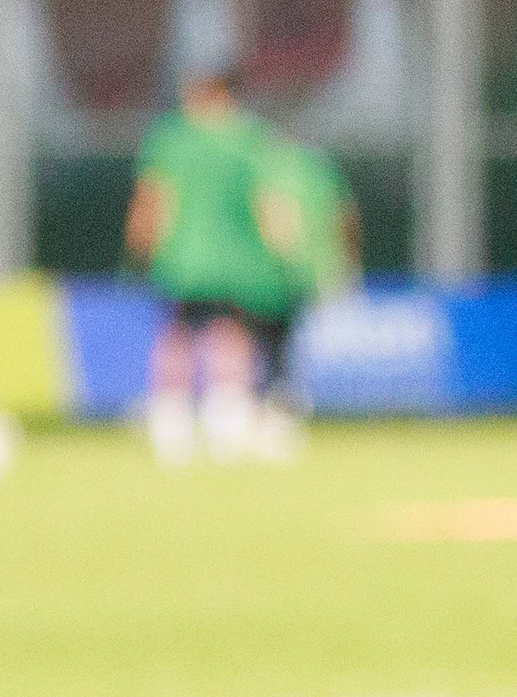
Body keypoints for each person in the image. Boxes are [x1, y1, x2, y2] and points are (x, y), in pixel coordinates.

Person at [126, 65, 300, 465]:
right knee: (231, 335)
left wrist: (140, 245)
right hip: (238, 261)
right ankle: (228, 425)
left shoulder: (172, 139)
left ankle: (172, 428)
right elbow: (270, 203)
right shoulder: (250, 138)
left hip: (183, 259)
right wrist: (284, 250)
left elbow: (152, 199)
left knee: (177, 336)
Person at [247, 124, 358, 436]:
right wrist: (347, 263)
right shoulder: (319, 170)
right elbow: (345, 218)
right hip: (308, 271)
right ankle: (278, 402)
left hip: (269, 272)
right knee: (282, 340)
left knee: (266, 340)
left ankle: (270, 404)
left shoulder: (263, 168)